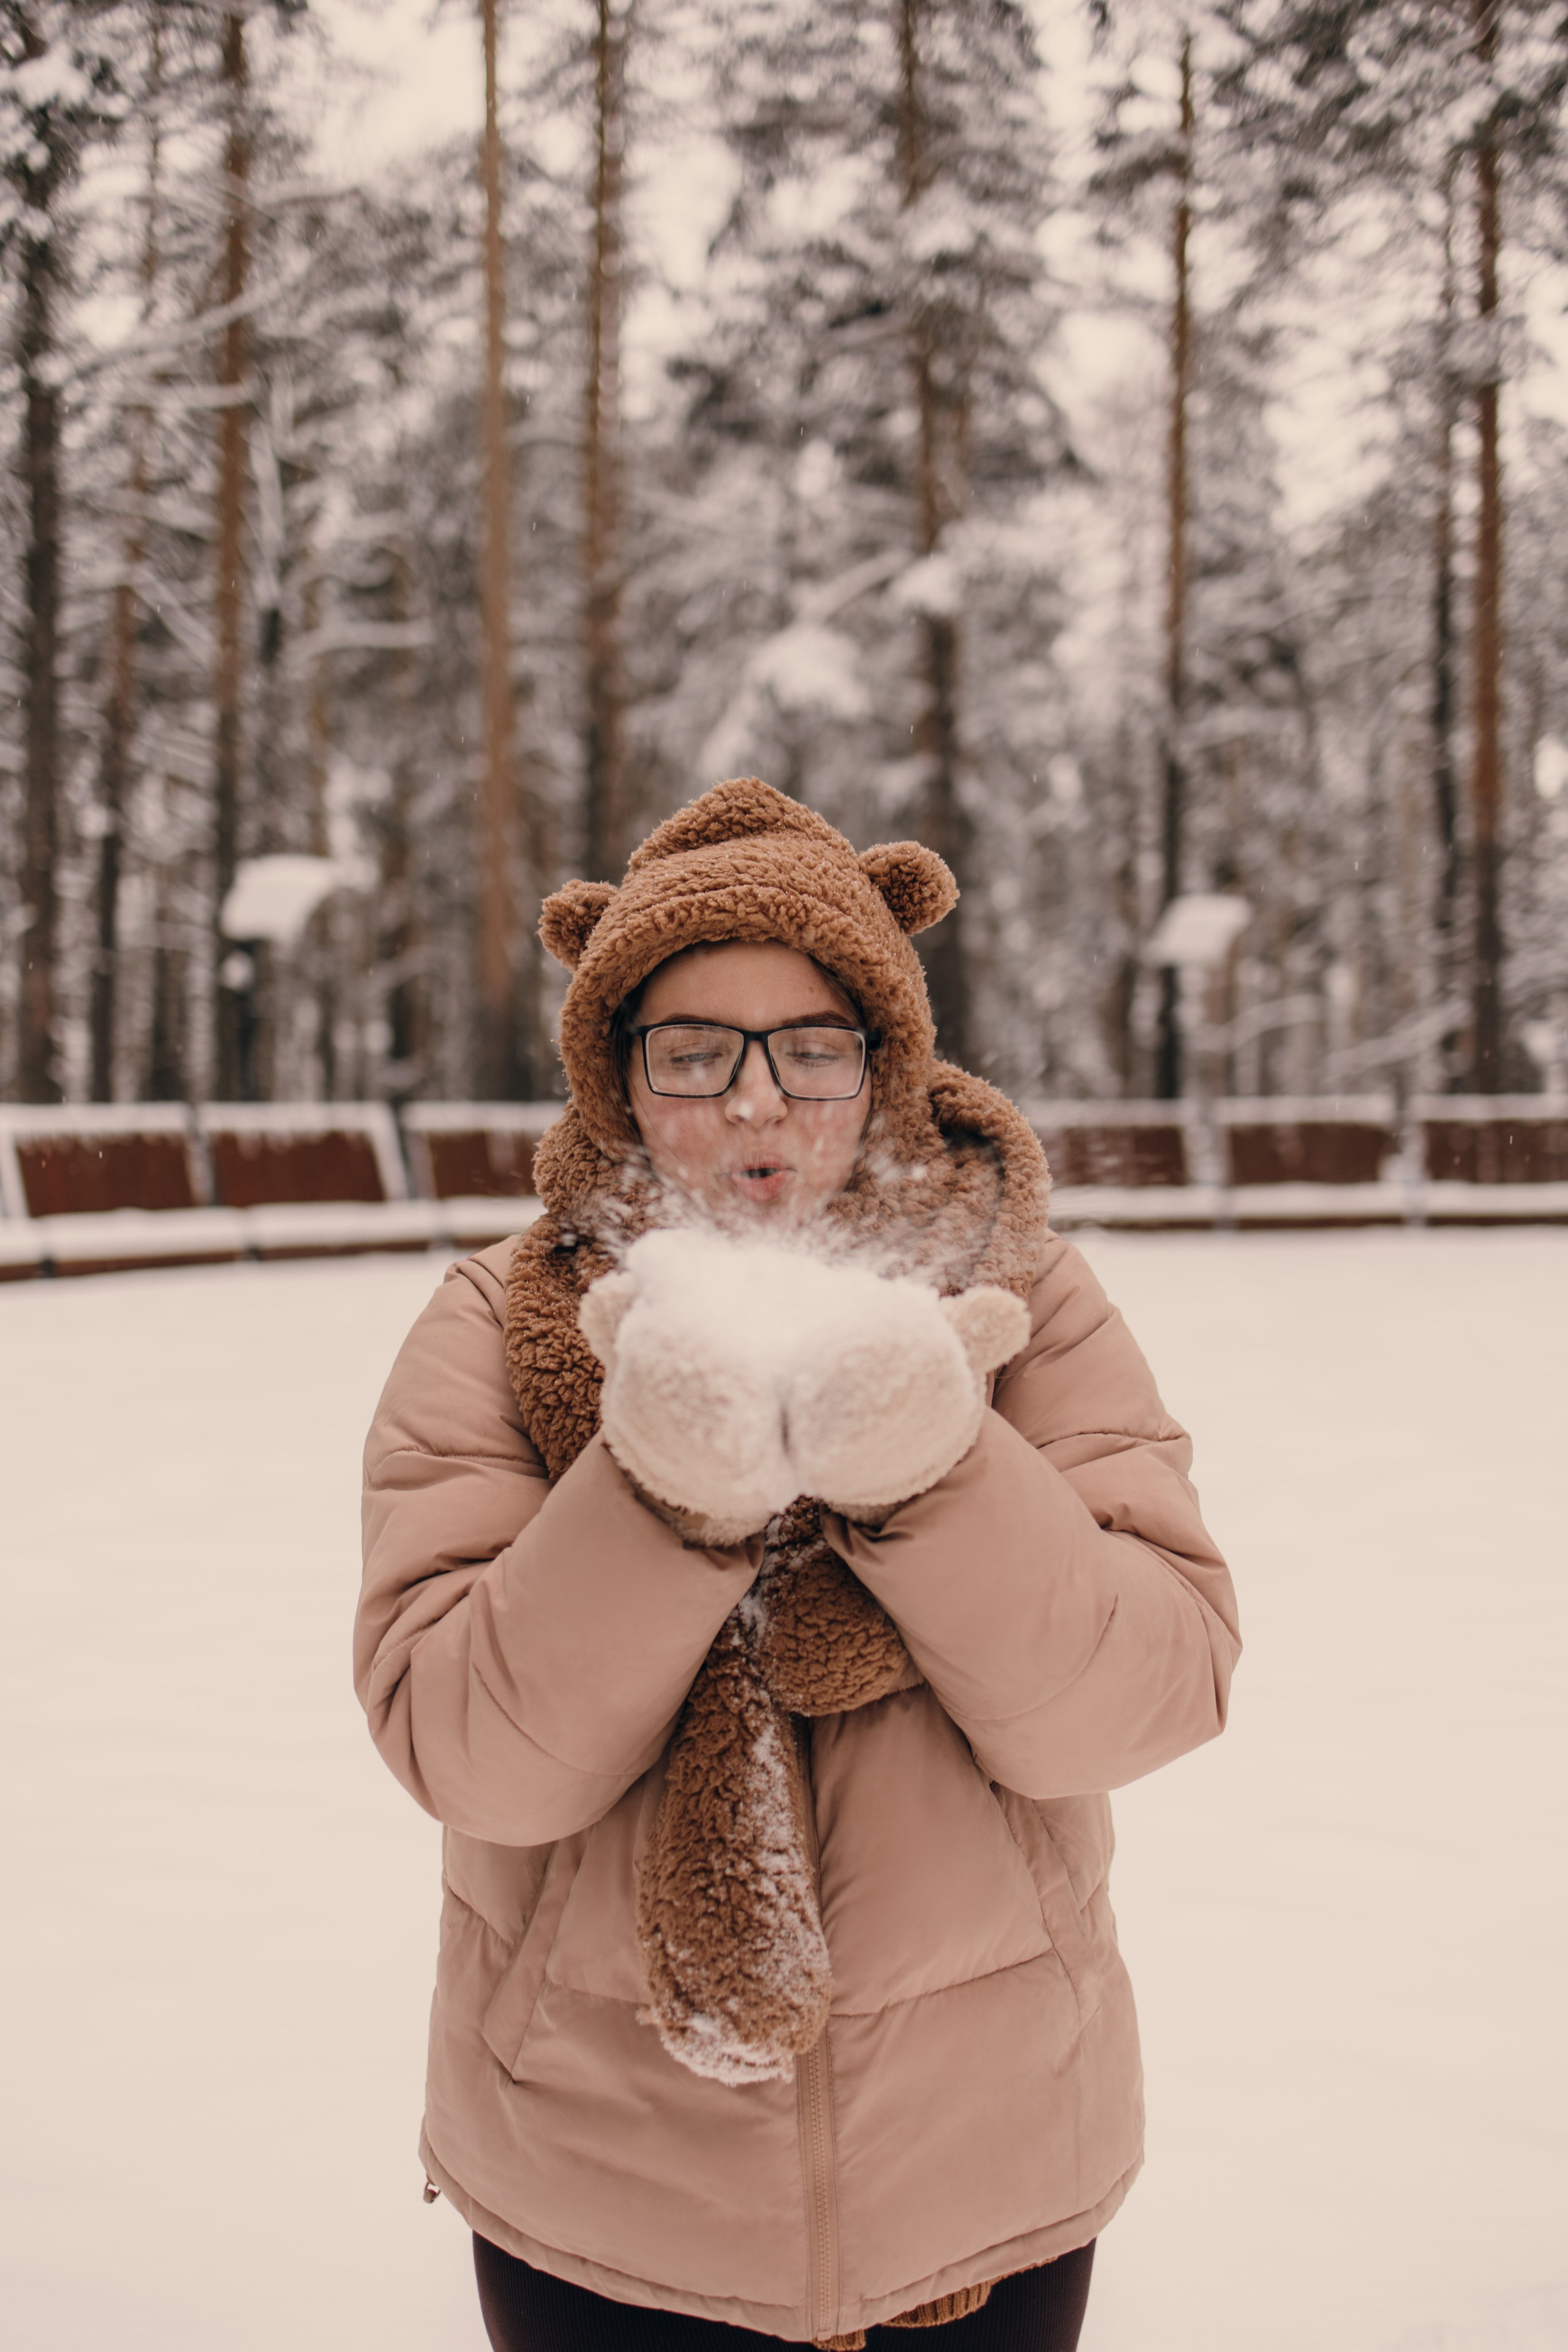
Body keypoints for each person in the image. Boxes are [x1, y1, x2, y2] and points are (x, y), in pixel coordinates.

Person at [355, 779, 1240, 2352]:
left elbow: (1140, 1698)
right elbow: (472, 1752)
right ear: (618, 1081)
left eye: (810, 1048)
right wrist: (664, 1496)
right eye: (693, 1052)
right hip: (601, 2199)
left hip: (982, 2172)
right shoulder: (499, 1325)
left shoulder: (1025, 1306)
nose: (756, 1104)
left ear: (882, 1069)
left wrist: (937, 1466)